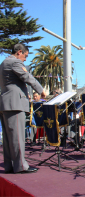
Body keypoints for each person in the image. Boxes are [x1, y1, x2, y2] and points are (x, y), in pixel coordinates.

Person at [0, 43, 46, 174]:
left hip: (5, 104)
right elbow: (27, 77)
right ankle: (21, 166)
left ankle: (9, 165)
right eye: (25, 56)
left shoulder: (3, 63)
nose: (26, 59)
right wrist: (41, 90)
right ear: (19, 52)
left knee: (8, 139)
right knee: (18, 137)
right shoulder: (14, 62)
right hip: (15, 104)